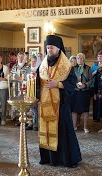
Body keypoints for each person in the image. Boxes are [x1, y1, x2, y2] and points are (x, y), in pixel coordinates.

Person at [37, 34, 82, 168]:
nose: (49, 50)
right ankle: (48, 158)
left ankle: (66, 159)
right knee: (46, 131)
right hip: (45, 105)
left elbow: (72, 83)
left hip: (60, 106)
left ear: (58, 49)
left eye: (51, 48)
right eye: (47, 48)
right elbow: (39, 83)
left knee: (63, 131)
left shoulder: (67, 66)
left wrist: (58, 84)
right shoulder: (43, 65)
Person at [71, 53, 92, 133]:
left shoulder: (88, 68)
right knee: (74, 110)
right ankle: (74, 126)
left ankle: (85, 127)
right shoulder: (73, 69)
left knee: (85, 110)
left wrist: (85, 85)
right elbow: (72, 79)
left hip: (85, 92)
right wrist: (76, 84)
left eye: (81, 58)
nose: (79, 59)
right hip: (76, 92)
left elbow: (90, 80)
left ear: (84, 59)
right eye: (78, 58)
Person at [26, 56, 39, 131]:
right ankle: (29, 123)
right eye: (32, 61)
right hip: (28, 90)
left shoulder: (39, 70)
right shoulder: (28, 69)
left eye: (34, 61)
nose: (33, 63)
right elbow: (24, 78)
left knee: (35, 109)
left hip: (36, 91)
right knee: (29, 108)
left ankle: (35, 124)